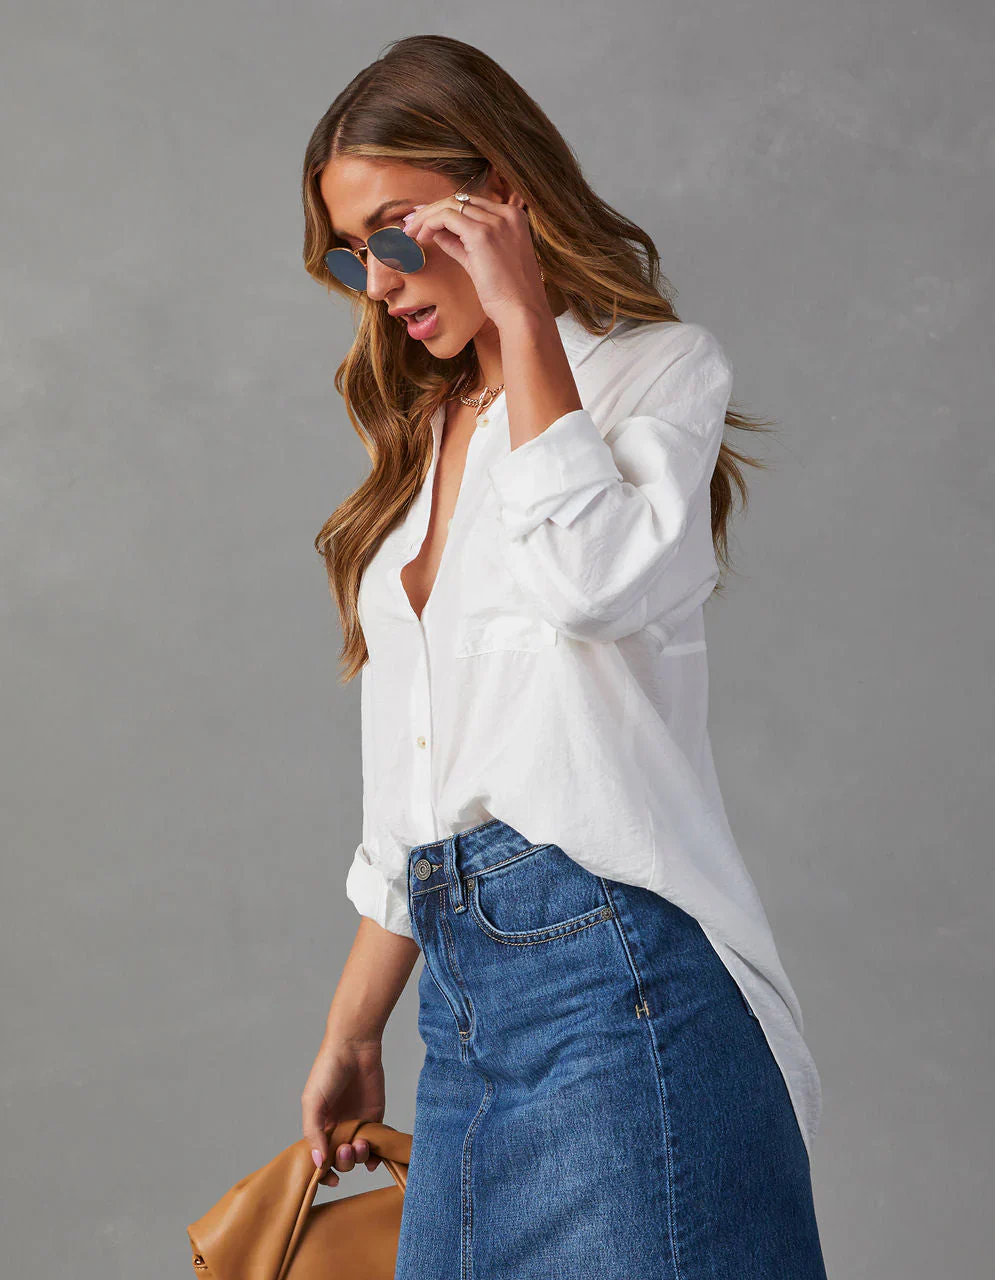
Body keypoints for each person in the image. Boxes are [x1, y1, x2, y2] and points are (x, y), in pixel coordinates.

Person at [299, 33, 830, 1280]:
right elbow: (422, 785)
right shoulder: (425, 439)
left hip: (617, 981)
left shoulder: (651, 373)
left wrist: (526, 311)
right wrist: (355, 1025)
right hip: (463, 1016)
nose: (376, 284)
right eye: (349, 255)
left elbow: (590, 585)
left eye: (392, 236)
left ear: (495, 195)